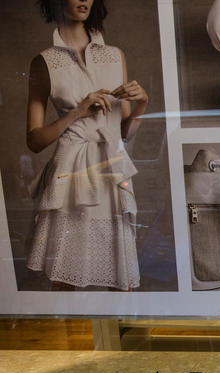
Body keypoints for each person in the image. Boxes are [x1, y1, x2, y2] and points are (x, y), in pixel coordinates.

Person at [26, 0, 148, 291]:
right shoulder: (44, 61)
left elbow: (125, 133)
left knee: (121, 279)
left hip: (110, 170)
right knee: (65, 277)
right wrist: (76, 112)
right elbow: (34, 140)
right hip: (70, 173)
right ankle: (70, 335)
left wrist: (142, 104)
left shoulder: (115, 55)